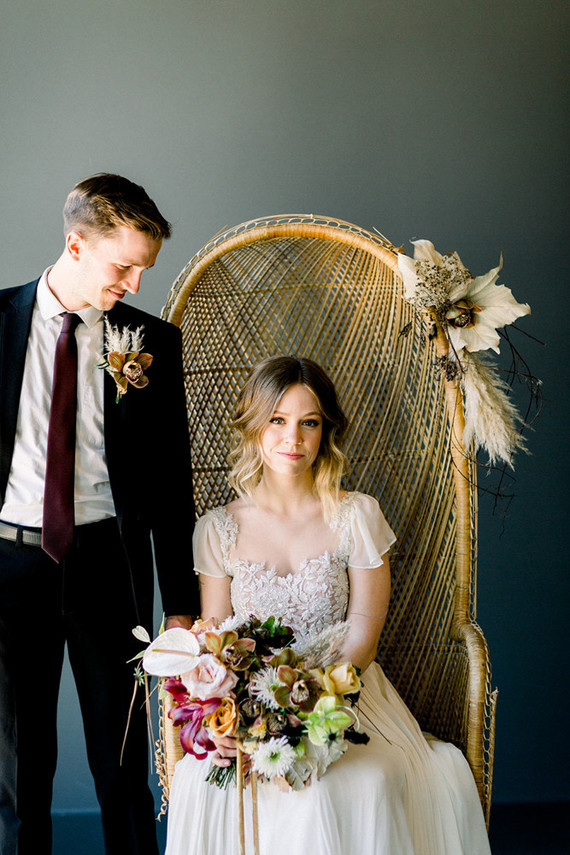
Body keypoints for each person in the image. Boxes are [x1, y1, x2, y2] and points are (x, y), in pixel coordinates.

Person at [163, 355, 491, 855]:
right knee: (214, 783)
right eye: (277, 420)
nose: (292, 438)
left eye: (309, 423)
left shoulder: (356, 515)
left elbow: (363, 633)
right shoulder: (216, 529)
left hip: (346, 696)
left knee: (352, 785)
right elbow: (216, 639)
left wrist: (310, 706)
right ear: (254, 426)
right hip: (254, 703)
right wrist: (228, 719)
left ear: (326, 431)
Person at [0, 173, 199, 855]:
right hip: (9, 567)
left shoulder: (152, 343)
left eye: (145, 270)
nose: (135, 284)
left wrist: (181, 605)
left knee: (121, 765)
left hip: (110, 569)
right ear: (76, 244)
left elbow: (172, 483)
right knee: (16, 770)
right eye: (124, 267)